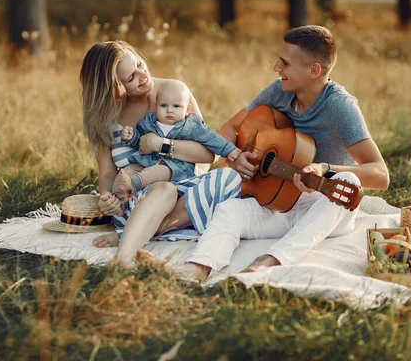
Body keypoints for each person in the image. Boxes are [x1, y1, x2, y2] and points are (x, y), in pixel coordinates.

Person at [137, 25, 390, 281]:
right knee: (230, 211)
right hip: (279, 202)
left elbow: (380, 175)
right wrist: (234, 156)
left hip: (326, 205)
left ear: (313, 70)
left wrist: (325, 169)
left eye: (285, 63)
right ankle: (196, 269)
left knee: (349, 181)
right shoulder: (279, 91)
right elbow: (231, 127)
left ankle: (269, 261)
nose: (276, 68)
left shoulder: (340, 107)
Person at [80, 40, 242, 265]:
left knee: (230, 178)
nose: (142, 74)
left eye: (138, 64)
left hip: (183, 193)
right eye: (131, 78)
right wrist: (107, 198)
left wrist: (161, 145)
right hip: (134, 198)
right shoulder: (105, 118)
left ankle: (129, 236)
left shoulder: (174, 92)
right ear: (113, 88)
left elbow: (208, 155)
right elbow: (107, 173)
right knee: (163, 189)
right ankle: (124, 257)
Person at [112, 87, 242, 207]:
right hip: (147, 162)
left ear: (187, 110)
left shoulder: (191, 125)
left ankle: (133, 184)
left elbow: (212, 138)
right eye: (164, 105)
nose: (169, 110)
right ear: (156, 107)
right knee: (127, 170)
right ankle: (118, 201)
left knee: (161, 171)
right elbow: (141, 141)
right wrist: (132, 136)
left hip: (175, 169)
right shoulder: (149, 122)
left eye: (176, 106)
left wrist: (229, 149)